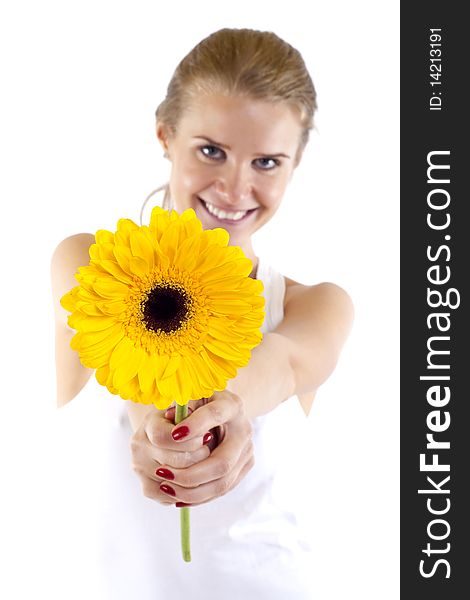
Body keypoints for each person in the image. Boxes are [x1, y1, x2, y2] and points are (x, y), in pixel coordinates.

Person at [51, 28, 353, 599]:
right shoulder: (90, 265)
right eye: (211, 150)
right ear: (165, 134)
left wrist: (222, 411)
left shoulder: (316, 305)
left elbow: (282, 363)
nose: (235, 187)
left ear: (297, 163)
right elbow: (135, 368)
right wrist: (164, 434)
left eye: (267, 161)